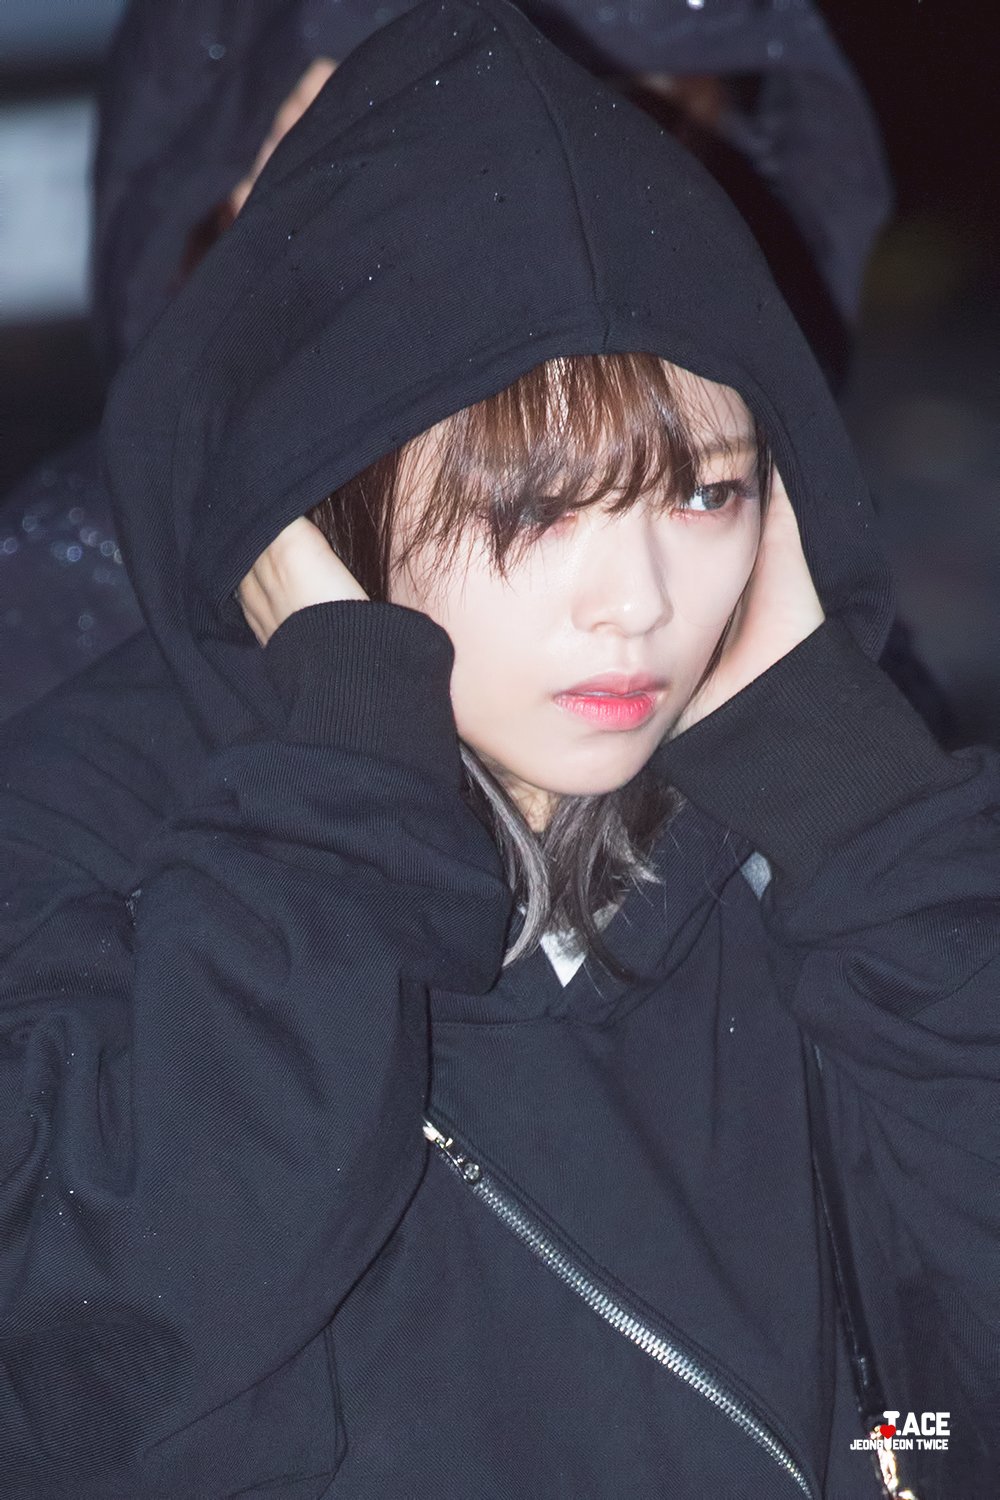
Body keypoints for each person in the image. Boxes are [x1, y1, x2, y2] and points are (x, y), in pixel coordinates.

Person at [2, 3, 996, 1497]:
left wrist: (862, 819)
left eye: (705, 494)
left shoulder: (831, 823)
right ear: (315, 489)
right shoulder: (82, 819)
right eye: (534, 510)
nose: (636, 602)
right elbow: (89, 1370)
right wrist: (334, 801)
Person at [1, 0, 893, 722]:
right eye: (400, 119)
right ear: (230, 180)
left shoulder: (782, 584)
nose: (535, 185)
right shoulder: (71, 621)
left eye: (618, 119)